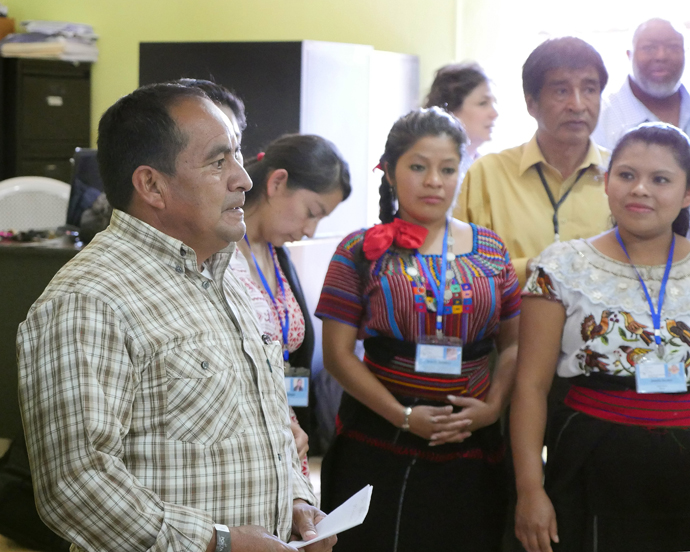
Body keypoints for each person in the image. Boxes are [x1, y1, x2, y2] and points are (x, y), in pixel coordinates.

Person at [16, 83, 335, 552]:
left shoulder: (222, 277)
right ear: (151, 185)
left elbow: (263, 427)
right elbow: (76, 483)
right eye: (218, 162)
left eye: (238, 157)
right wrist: (216, 543)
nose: (244, 179)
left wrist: (296, 501)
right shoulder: (91, 298)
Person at [315, 106, 521, 552]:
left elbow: (514, 345)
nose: (434, 181)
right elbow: (337, 355)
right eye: (418, 167)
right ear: (389, 171)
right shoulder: (359, 250)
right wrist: (404, 417)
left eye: (448, 169)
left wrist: (492, 409)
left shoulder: (490, 249)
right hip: (378, 437)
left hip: (472, 438)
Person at [511, 123, 690, 552]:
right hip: (588, 464)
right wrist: (530, 489)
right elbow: (531, 386)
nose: (640, 189)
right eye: (626, 175)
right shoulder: (561, 267)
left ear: (686, 194)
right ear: (607, 183)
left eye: (660, 179)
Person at [231, 133, 351, 471]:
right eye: (311, 212)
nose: (310, 230)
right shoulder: (217, 254)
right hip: (239, 443)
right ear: (277, 182)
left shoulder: (275, 254)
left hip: (285, 438)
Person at [455, 37, 612, 286]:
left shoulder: (621, 176)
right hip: (510, 324)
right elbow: (460, 270)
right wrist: (535, 268)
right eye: (561, 91)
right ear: (531, 104)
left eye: (590, 90)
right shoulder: (488, 174)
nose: (578, 105)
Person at [593, 19, 689, 150]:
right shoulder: (600, 118)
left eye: (673, 47)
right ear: (629, 55)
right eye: (649, 48)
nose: (661, 56)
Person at [424, 62, 499, 160]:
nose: (495, 114)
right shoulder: (430, 166)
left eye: (494, 103)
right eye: (483, 103)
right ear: (451, 111)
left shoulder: (487, 166)